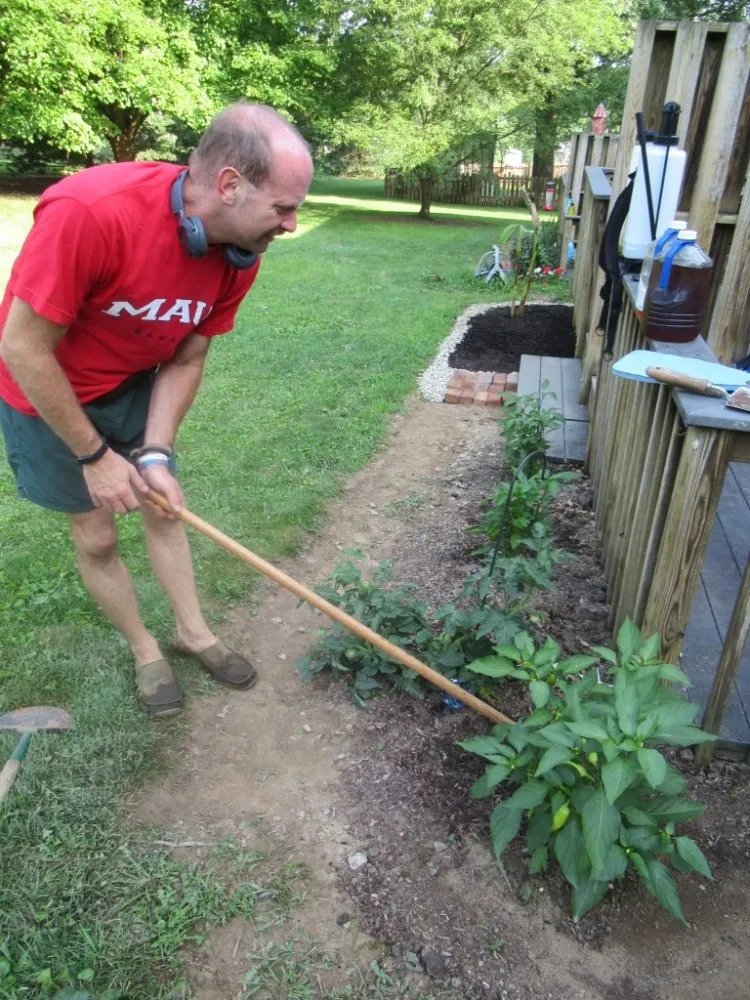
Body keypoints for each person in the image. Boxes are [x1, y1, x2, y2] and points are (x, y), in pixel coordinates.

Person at [0, 103, 314, 717]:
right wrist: (94, 457)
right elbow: (22, 348)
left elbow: (187, 357)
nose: (293, 223)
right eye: (282, 207)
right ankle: (146, 650)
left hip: (130, 380)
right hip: (45, 390)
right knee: (96, 536)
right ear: (229, 185)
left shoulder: (237, 252)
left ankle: (192, 633)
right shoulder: (92, 213)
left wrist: (155, 453)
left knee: (164, 505)